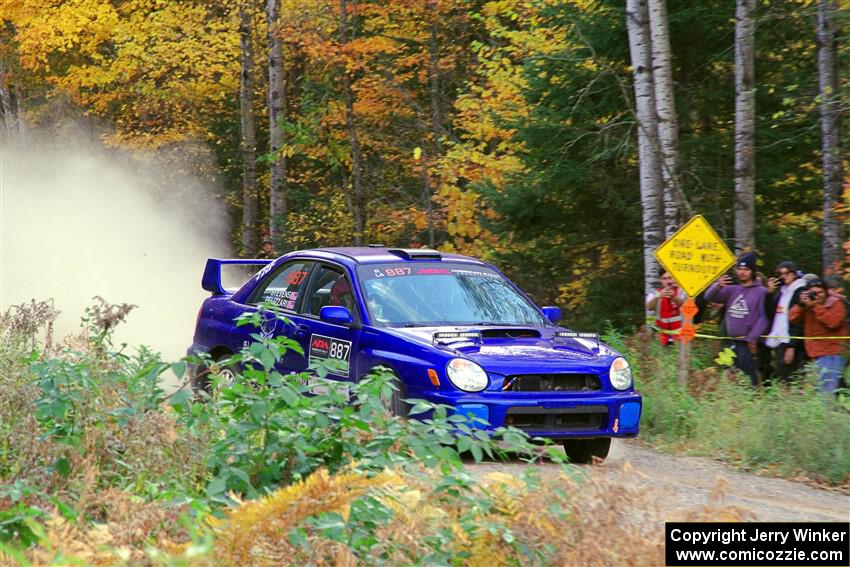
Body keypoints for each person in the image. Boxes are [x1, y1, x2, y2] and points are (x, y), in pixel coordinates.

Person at [704, 252, 769, 386]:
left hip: (747, 344)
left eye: (746, 269)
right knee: (728, 377)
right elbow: (708, 297)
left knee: (750, 381)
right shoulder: (732, 290)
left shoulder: (761, 291)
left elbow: (764, 317)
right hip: (730, 343)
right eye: (740, 269)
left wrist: (752, 338)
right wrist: (718, 285)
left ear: (752, 271)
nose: (742, 272)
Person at [788, 277, 847, 394]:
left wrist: (815, 306)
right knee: (831, 389)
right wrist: (800, 305)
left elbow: (833, 322)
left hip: (833, 353)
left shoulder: (836, 303)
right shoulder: (807, 304)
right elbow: (792, 319)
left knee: (826, 392)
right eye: (813, 293)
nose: (817, 295)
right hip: (816, 353)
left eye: (820, 292)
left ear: (826, 291)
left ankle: (827, 412)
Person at [764, 261, 807, 383]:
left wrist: (792, 345)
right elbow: (770, 313)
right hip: (779, 339)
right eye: (780, 274)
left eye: (786, 273)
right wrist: (769, 294)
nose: (783, 276)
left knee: (789, 378)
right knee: (781, 376)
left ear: (794, 274)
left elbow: (799, 321)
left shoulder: (800, 291)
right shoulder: (781, 292)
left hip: (790, 341)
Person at [646, 271, 686, 346]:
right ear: (660, 280)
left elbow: (686, 307)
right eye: (664, 278)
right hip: (662, 335)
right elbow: (649, 307)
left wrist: (674, 298)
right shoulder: (655, 293)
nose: (668, 281)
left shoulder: (681, 291)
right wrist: (658, 296)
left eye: (670, 278)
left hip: (679, 334)